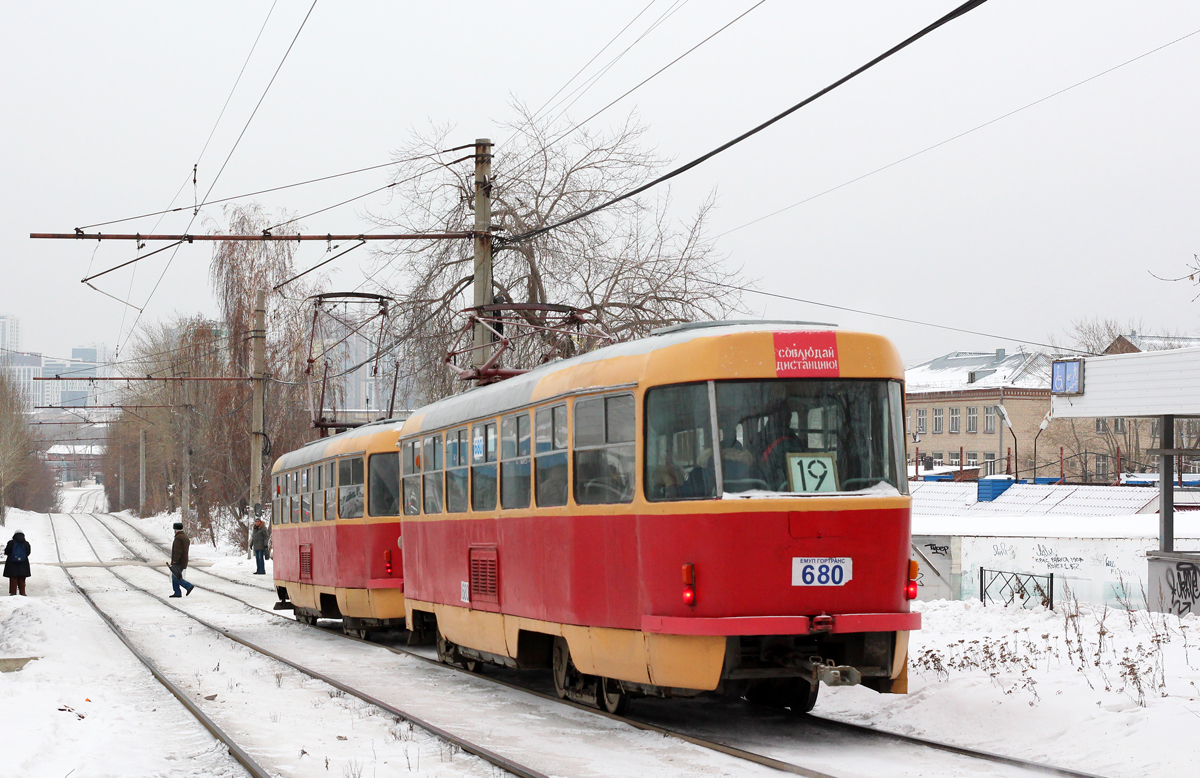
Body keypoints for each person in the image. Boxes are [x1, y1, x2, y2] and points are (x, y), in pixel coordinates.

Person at [168, 522, 195, 598]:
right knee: (175, 575)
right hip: (184, 560)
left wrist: (175, 560)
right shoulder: (185, 537)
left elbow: (177, 551)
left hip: (179, 561)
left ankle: (188, 586)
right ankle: (177, 592)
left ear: (175, 530)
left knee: (175, 577)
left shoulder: (178, 538)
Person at [3, 531, 31, 596]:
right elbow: (28, 553)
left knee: (13, 578)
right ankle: (22, 592)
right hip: (23, 564)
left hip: (12, 563)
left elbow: (7, 551)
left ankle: (13, 593)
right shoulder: (26, 544)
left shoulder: (11, 543)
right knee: (22, 579)